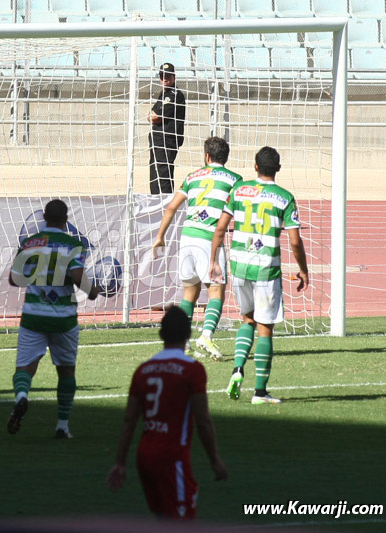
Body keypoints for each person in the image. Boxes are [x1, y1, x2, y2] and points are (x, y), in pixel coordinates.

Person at [209, 146, 309, 405]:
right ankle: (260, 392)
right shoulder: (285, 197)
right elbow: (295, 242)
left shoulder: (238, 191)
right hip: (266, 268)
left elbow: (220, 228)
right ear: (278, 169)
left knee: (246, 319)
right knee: (265, 328)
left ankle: (238, 368)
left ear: (255, 166)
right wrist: (303, 269)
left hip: (240, 265)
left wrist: (213, 260)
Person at [107, 306, 227, 520]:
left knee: (162, 517)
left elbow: (129, 420)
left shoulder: (143, 369)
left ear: (161, 334)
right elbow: (203, 421)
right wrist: (215, 459)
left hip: (144, 457)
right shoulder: (192, 370)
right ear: (188, 334)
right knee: (181, 522)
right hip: (173, 458)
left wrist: (120, 462)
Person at [7, 199, 100, 439]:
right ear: (65, 220)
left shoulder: (29, 243)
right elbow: (78, 275)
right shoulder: (73, 244)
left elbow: (13, 279)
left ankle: (22, 397)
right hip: (63, 318)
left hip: (34, 316)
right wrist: (91, 291)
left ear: (44, 218)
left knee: (25, 368)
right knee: (66, 371)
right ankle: (62, 425)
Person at [152, 137, 243, 361]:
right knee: (216, 290)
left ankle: (182, 343)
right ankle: (207, 336)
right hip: (209, 239)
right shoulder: (234, 179)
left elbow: (172, 206)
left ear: (206, 156)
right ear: (226, 157)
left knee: (189, 293)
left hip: (188, 238)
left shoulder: (192, 177)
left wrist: (160, 236)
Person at [148, 62, 186, 195]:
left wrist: (153, 116)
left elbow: (156, 117)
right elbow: (150, 114)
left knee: (163, 177)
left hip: (166, 141)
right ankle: (157, 201)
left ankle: (164, 204)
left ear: (174, 77)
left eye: (168, 76)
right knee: (155, 175)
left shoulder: (174, 95)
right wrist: (152, 115)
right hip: (158, 142)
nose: (164, 79)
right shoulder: (163, 94)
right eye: (162, 76)